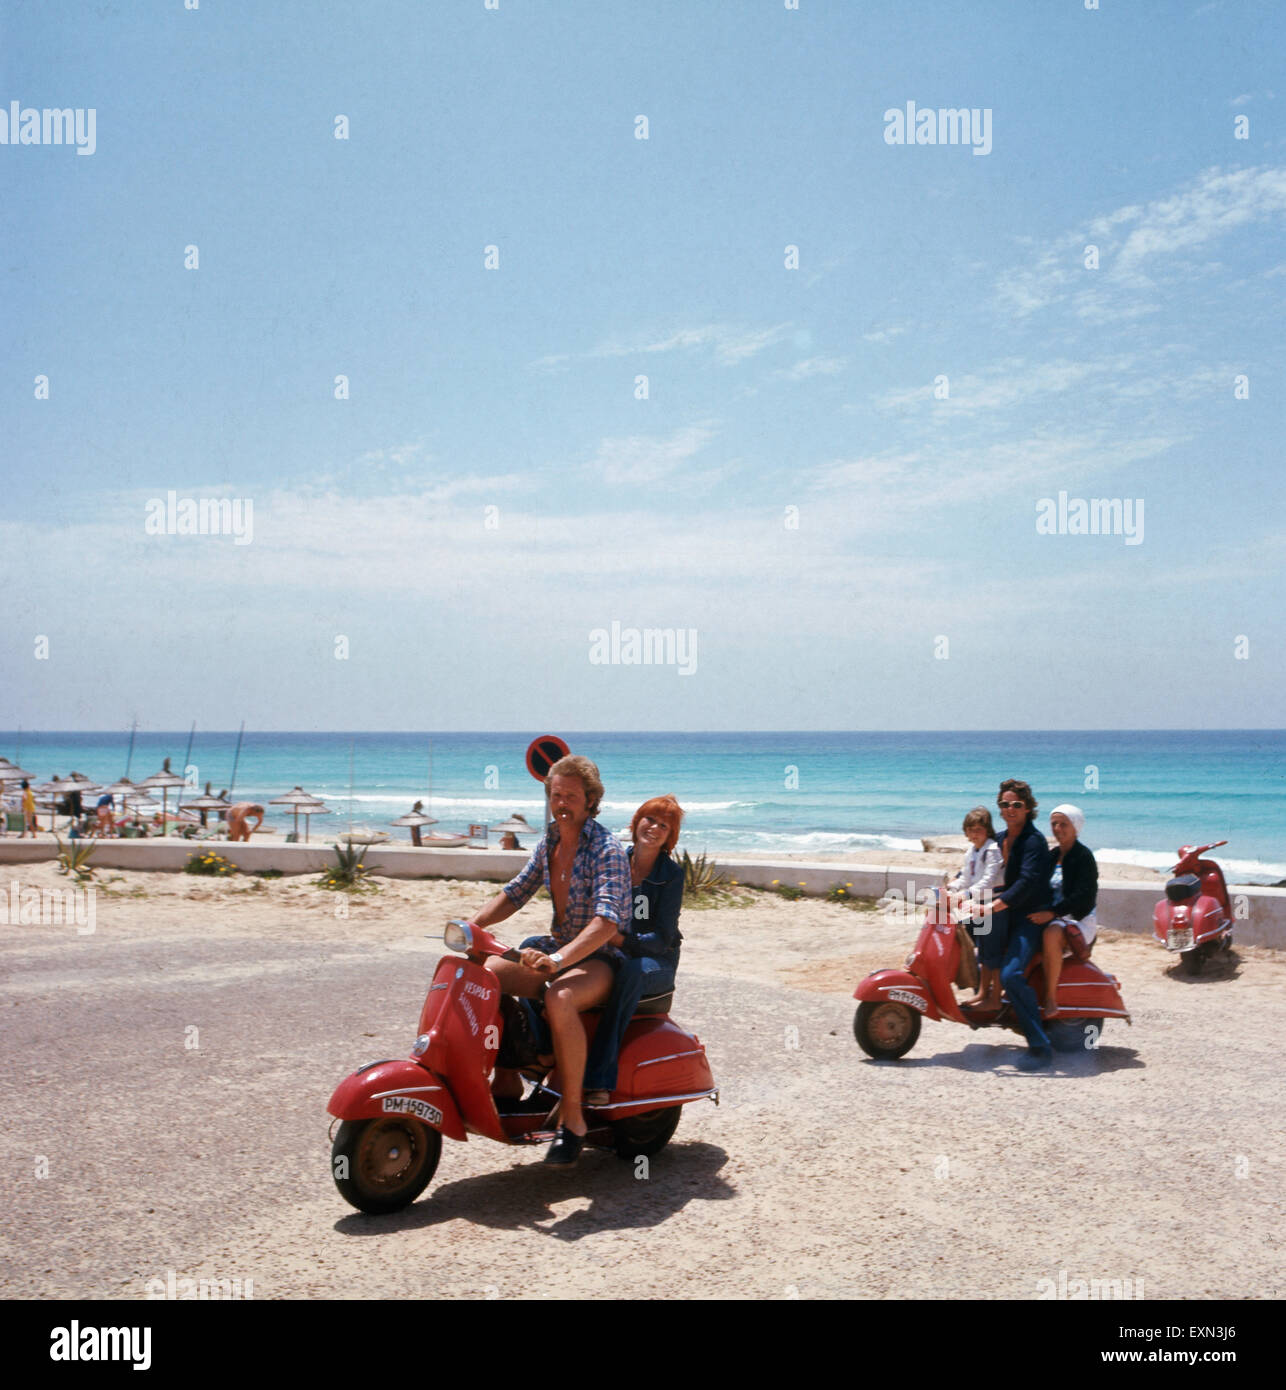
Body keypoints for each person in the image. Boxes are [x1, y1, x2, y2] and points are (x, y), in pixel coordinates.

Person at [465, 754, 631, 1167]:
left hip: (599, 959)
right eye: (556, 794)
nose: (562, 803)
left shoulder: (606, 848)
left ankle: (572, 1119)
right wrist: (473, 924)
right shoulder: (550, 842)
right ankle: (507, 1079)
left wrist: (559, 959)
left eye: (571, 796)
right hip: (557, 950)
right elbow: (517, 891)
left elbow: (607, 922)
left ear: (590, 800)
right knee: (487, 975)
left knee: (559, 997)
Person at [582, 795, 686, 1107]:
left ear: (670, 837)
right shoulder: (614, 861)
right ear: (636, 822)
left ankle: (598, 1081)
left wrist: (620, 941)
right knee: (536, 948)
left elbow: (663, 938)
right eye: (649, 819)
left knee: (632, 971)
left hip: (655, 962)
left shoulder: (671, 875)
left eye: (664, 826)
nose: (654, 828)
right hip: (614, 949)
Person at [963, 780, 1054, 1067]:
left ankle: (1040, 1046)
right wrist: (955, 886)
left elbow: (1026, 881)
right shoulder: (998, 839)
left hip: (1028, 916)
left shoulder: (1033, 841)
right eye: (1005, 804)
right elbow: (978, 867)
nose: (1010, 809)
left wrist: (996, 904)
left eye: (1017, 804)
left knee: (1012, 974)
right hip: (1003, 913)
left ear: (1028, 808)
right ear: (999, 808)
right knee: (966, 933)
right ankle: (986, 997)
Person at [1031, 804, 1099, 1019]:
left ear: (1075, 826)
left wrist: (1053, 913)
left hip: (1078, 920)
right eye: (1054, 824)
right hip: (1052, 915)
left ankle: (1050, 998)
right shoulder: (1052, 856)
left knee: (1051, 934)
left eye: (1063, 824)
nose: (1058, 828)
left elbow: (1084, 896)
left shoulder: (1084, 857)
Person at [945, 806, 1002, 945]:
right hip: (975, 900)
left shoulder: (992, 849)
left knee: (982, 944)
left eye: (979, 830)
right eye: (971, 830)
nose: (974, 834)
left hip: (990, 901)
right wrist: (951, 888)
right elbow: (966, 877)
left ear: (987, 830)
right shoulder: (971, 851)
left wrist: (965, 894)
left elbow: (988, 880)